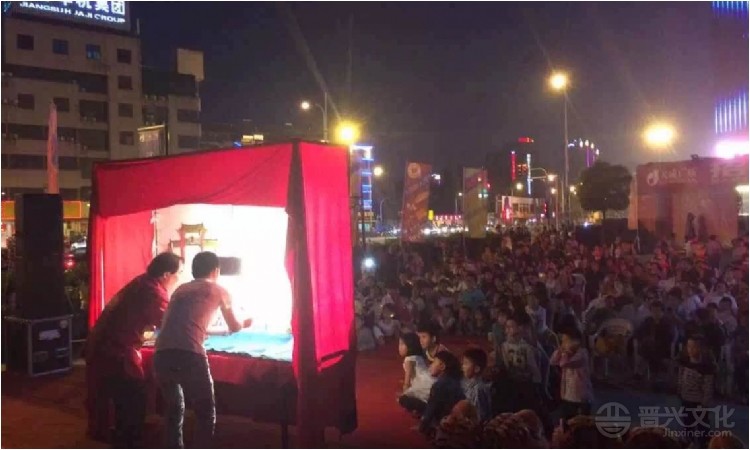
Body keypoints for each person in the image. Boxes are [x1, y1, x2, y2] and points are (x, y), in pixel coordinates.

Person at [153, 251, 253, 449]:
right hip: (189, 355)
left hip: (162, 354)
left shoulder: (181, 289)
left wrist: (221, 332)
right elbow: (235, 326)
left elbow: (190, 325)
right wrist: (245, 323)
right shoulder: (219, 290)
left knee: (174, 408)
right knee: (205, 412)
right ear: (216, 271)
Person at [85, 252, 183, 447]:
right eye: (178, 273)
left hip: (102, 345)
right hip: (116, 351)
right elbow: (170, 325)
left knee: (117, 398)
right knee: (133, 399)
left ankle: (115, 435)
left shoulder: (142, 282)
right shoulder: (154, 292)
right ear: (166, 274)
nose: (179, 278)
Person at [677, 335, 717, 448]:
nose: (691, 349)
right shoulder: (685, 362)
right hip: (686, 399)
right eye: (689, 346)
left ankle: (703, 444)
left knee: (702, 426)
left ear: (700, 348)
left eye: (694, 347)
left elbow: (708, 386)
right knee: (687, 423)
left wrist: (705, 402)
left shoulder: (706, 367)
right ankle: (688, 442)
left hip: (699, 402)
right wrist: (679, 390)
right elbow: (681, 377)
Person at [550, 327, 593, 421]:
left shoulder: (582, 353)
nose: (563, 343)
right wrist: (560, 350)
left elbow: (564, 364)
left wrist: (566, 352)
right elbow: (553, 361)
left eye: (566, 340)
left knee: (581, 422)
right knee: (566, 421)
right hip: (567, 394)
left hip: (580, 395)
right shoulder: (566, 352)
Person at [419, 351, 465, 436]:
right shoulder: (456, 380)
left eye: (433, 363)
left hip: (445, 421)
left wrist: (422, 426)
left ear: (442, 366)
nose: (430, 365)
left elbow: (432, 407)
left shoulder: (439, 385)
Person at [397, 332, 435, 414]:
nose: (399, 347)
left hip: (423, 384)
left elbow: (407, 381)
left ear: (410, 346)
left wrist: (405, 393)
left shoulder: (409, 360)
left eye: (402, 344)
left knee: (401, 400)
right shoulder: (419, 356)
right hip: (429, 380)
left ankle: (422, 408)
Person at [460, 348, 491, 422]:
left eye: (466, 363)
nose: (463, 367)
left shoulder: (478, 389)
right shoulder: (466, 383)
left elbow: (480, 414)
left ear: (476, 369)